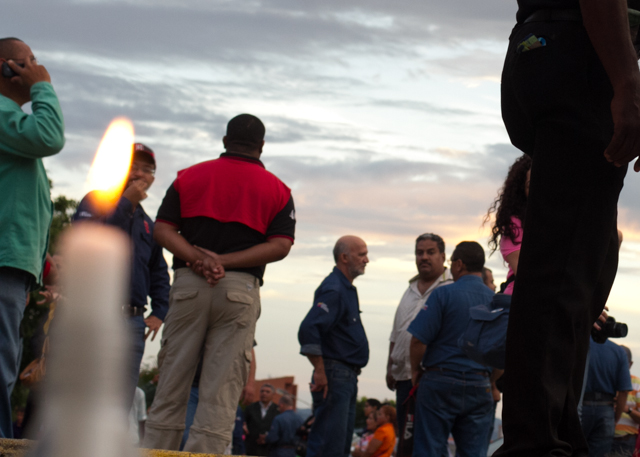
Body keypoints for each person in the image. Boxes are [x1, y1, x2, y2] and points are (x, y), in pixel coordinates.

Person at [496, 0, 640, 454]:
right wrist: (626, 83)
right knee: (561, 273)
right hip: (576, 51)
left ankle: (555, 430)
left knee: (581, 273)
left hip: (550, 48)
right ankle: (536, 440)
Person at [143, 114, 296, 454]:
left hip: (189, 284)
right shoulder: (278, 189)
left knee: (172, 383)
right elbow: (282, 244)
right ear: (261, 147)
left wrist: (199, 259)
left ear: (225, 142)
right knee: (220, 392)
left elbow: (163, 229)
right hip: (239, 290)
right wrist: (225, 262)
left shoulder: (189, 177)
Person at [0, 37, 65, 438]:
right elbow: (50, 137)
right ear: (7, 68)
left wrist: (41, 263)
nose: (38, 67)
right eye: (30, 62)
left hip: (15, 263)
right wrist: (44, 87)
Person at [73, 143, 170, 406]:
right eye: (133, 167)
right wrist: (125, 203)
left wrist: (160, 310)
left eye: (146, 169)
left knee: (119, 403)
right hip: (95, 312)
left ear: (152, 178)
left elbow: (158, 270)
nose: (139, 174)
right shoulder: (96, 200)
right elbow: (88, 241)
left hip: (133, 322)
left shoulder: (149, 223)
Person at [408, 241, 495, 456]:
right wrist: (491, 381)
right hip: (480, 383)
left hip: (440, 381)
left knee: (430, 449)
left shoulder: (442, 295)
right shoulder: (495, 301)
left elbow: (418, 340)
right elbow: (503, 352)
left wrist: (415, 370)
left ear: (458, 264)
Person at [298, 235, 370, 457]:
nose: (367, 260)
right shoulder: (335, 289)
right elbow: (309, 328)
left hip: (343, 376)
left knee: (338, 446)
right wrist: (320, 370)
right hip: (335, 375)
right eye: (362, 254)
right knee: (329, 444)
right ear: (344, 257)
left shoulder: (345, 288)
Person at [386, 233, 452, 437]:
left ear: (442, 256)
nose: (424, 257)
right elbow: (396, 332)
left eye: (430, 252)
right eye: (419, 253)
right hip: (403, 378)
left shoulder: (450, 287)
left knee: (429, 440)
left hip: (431, 376)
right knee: (406, 442)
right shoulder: (410, 289)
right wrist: (389, 367)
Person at [581, 337, 632, 457]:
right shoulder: (618, 351)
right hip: (605, 411)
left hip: (579, 407)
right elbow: (624, 391)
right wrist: (615, 419)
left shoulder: (579, 343)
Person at [612, 345, 640, 456]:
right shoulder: (607, 379)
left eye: (623, 361)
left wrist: (625, 409)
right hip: (602, 438)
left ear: (631, 364)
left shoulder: (637, 384)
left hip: (625, 441)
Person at [245, 383, 280, 456]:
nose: (264, 393)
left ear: (273, 394)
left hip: (269, 450)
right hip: (251, 449)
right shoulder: (251, 408)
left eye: (267, 392)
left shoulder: (277, 410)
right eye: (262, 391)